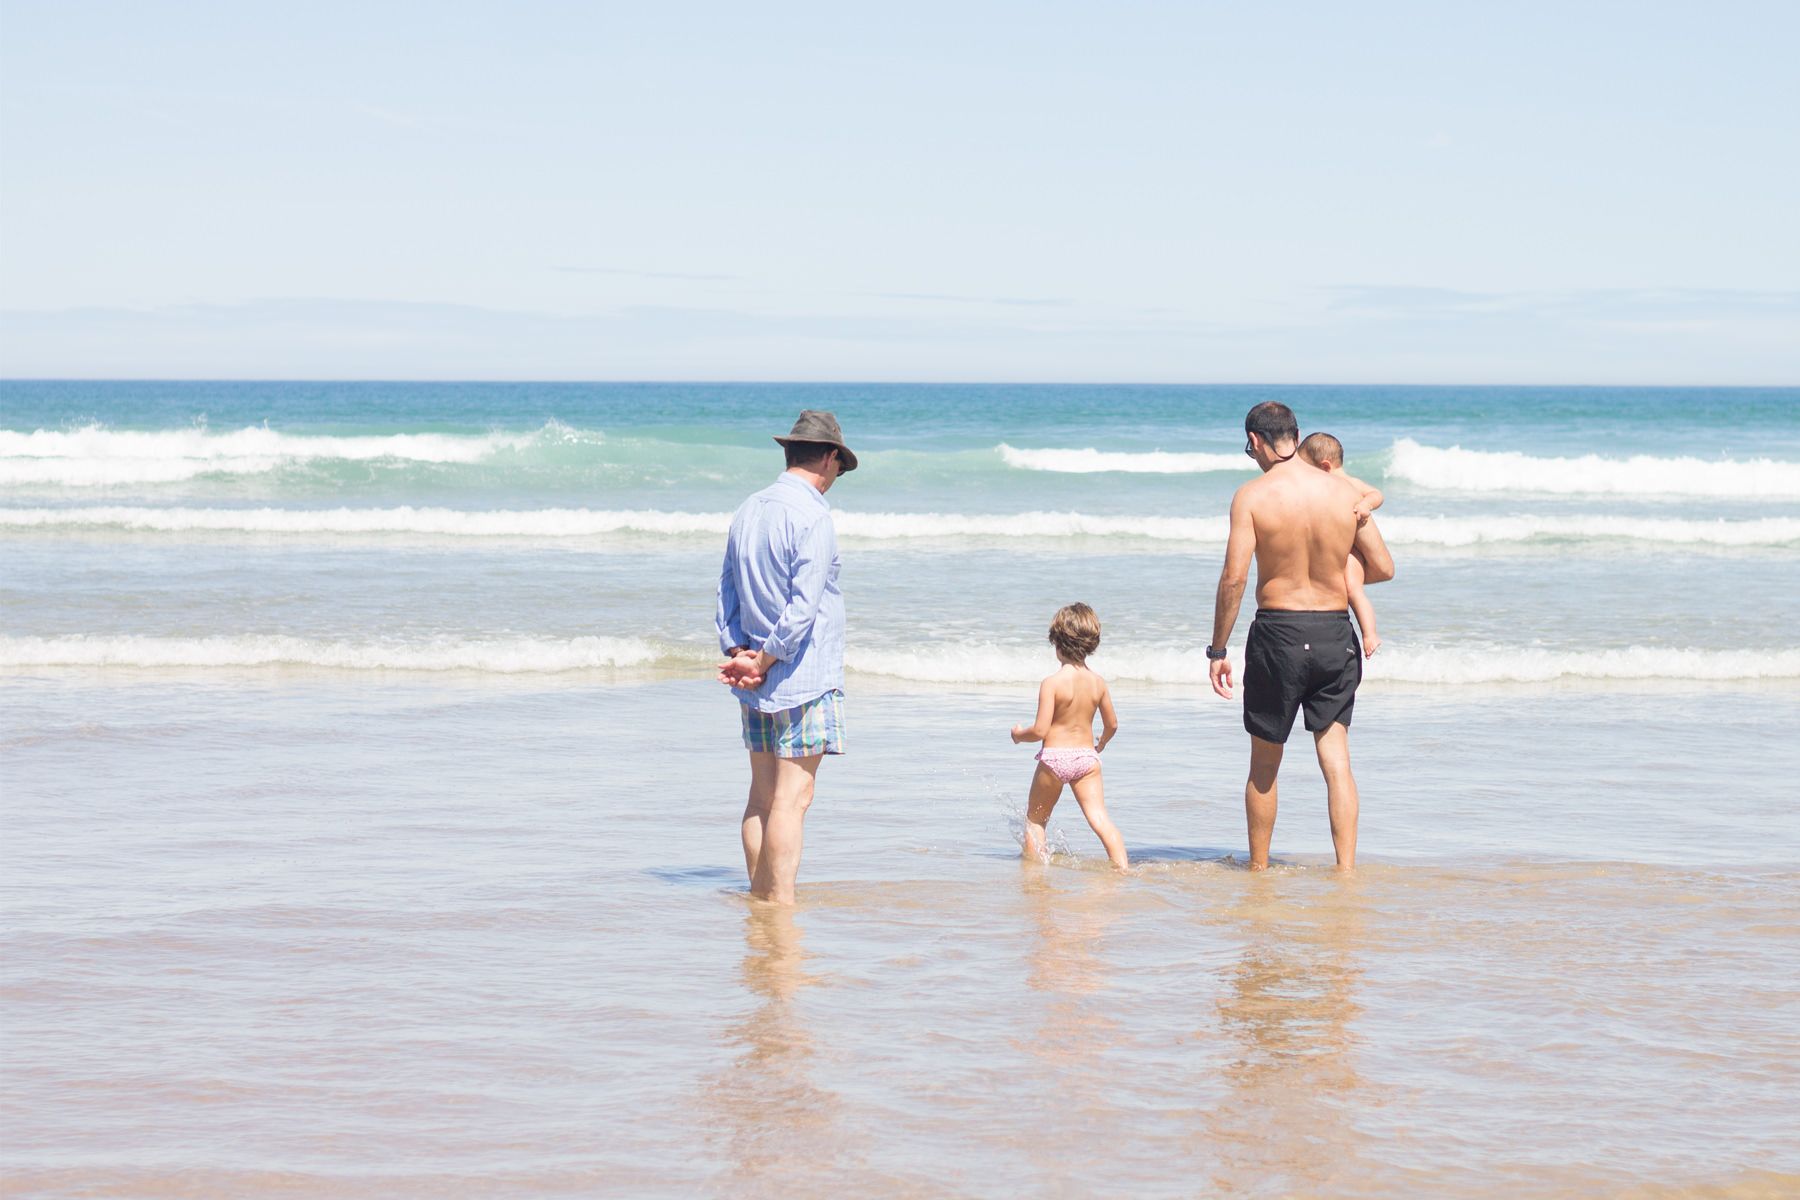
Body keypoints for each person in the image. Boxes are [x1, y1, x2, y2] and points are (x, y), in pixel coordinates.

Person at [1207, 402, 1395, 871]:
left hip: (1279, 635)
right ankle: (1346, 874)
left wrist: (1218, 649)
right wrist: (1339, 577)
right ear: (1296, 434)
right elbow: (1384, 568)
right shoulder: (1344, 491)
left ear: (1255, 441)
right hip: (1335, 633)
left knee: (1265, 765)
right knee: (1336, 763)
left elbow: (1233, 579)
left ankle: (1259, 872)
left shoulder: (1251, 496)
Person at [714, 410, 857, 905]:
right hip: (801, 676)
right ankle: (779, 905)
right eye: (839, 466)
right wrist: (766, 661)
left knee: (761, 796)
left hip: (754, 679)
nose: (837, 477)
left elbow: (725, 593)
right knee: (792, 801)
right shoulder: (813, 516)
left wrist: (739, 653)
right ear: (830, 457)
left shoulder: (748, 509)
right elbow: (803, 608)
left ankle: (760, 898)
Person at [1010, 603, 1129, 870]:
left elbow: (1040, 730)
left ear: (1056, 642)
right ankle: (1122, 868)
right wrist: (1101, 743)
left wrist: (1019, 735)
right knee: (1100, 819)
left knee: (1036, 820)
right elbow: (1112, 724)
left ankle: (1035, 875)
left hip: (1054, 759)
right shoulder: (1098, 682)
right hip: (1086, 759)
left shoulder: (1051, 683)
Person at [1297, 432, 1384, 657]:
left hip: (1353, 552)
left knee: (1354, 590)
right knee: (1347, 589)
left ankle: (1369, 633)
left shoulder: (1349, 483)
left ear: (1325, 467)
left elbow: (1377, 494)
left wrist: (1366, 504)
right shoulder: (1327, 487)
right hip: (1340, 548)